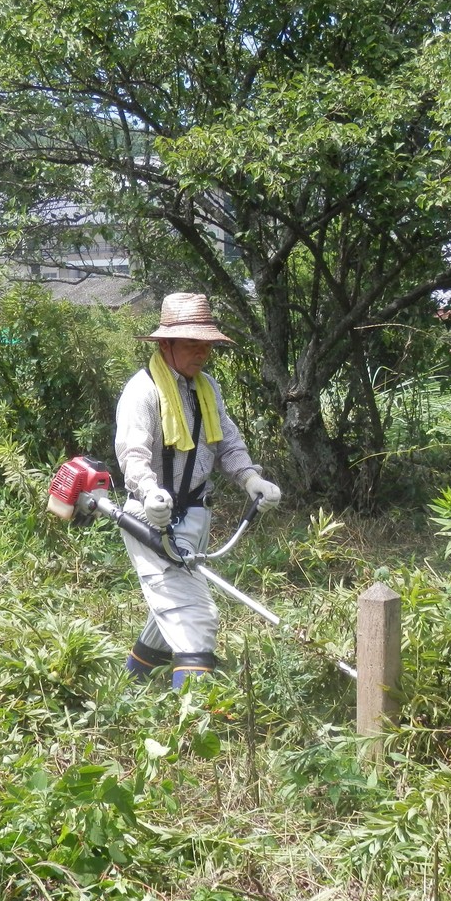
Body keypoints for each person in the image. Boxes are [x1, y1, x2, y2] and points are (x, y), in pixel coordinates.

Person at [114, 292, 282, 689]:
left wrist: (251, 479)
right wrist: (148, 489)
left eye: (207, 343)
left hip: (195, 514)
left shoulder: (206, 388)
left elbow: (227, 443)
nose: (203, 352)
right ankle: (195, 723)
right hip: (151, 517)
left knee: (165, 611)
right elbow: (132, 453)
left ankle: (129, 689)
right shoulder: (142, 391)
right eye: (192, 342)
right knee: (194, 615)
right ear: (165, 343)